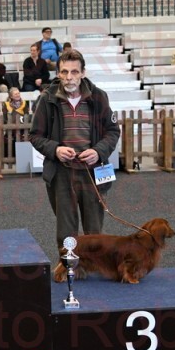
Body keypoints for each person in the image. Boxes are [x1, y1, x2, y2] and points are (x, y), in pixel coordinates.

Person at [29, 50, 120, 252]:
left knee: (94, 230)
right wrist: (55, 149)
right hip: (61, 173)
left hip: (93, 172)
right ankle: (69, 266)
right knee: (66, 232)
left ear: (83, 73)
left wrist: (98, 151)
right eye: (64, 72)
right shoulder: (47, 99)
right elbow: (35, 135)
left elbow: (113, 131)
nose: (69, 77)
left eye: (74, 72)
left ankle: (94, 265)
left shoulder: (99, 97)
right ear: (58, 74)